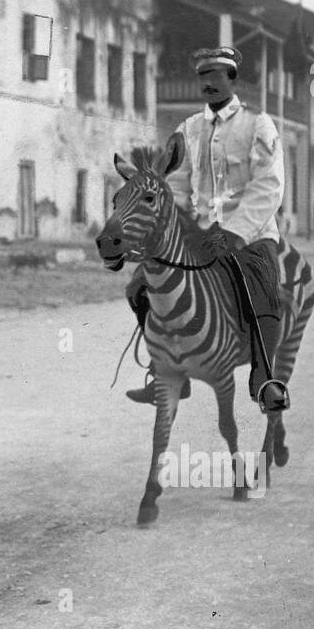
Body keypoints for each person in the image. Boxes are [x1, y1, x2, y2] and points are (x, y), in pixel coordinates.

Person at [124, 45, 290, 413]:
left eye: (217, 76)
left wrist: (234, 232)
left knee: (259, 288)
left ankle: (265, 378)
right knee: (140, 286)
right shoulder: (188, 130)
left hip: (250, 234)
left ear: (232, 79)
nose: (209, 84)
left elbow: (269, 184)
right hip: (198, 235)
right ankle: (166, 372)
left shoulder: (258, 124)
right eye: (203, 76)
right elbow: (177, 187)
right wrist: (172, 232)